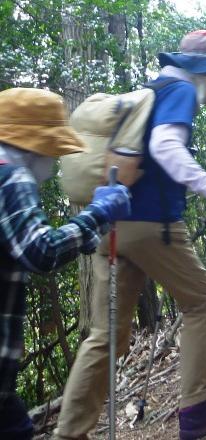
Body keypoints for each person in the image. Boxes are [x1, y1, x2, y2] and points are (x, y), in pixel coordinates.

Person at [56, 31, 206, 440]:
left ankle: (69, 433)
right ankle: (196, 409)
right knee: (201, 303)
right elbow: (165, 146)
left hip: (110, 224)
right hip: (152, 226)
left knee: (106, 335)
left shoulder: (150, 91)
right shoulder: (180, 90)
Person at [0, 89, 130, 439]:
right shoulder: (11, 175)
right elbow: (40, 250)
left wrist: (93, 225)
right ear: (34, 145)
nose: (54, 162)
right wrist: (98, 214)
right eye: (53, 150)